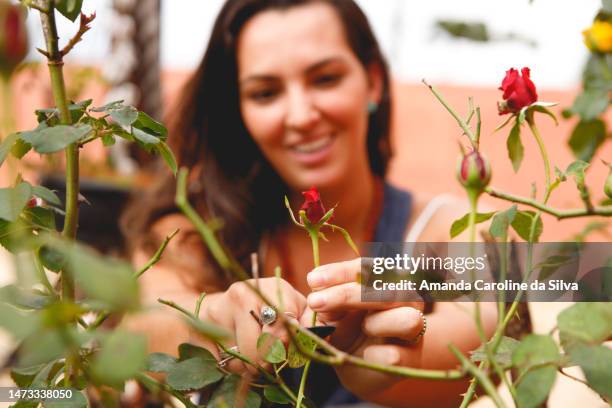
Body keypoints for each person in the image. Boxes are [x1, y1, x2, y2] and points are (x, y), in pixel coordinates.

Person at [121, 0, 498, 406]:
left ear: (372, 82)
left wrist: (388, 351)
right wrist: (214, 320)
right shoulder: (192, 226)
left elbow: (494, 329)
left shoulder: (450, 225)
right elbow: (146, 322)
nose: (300, 116)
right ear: (239, 108)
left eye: (325, 79)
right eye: (265, 93)